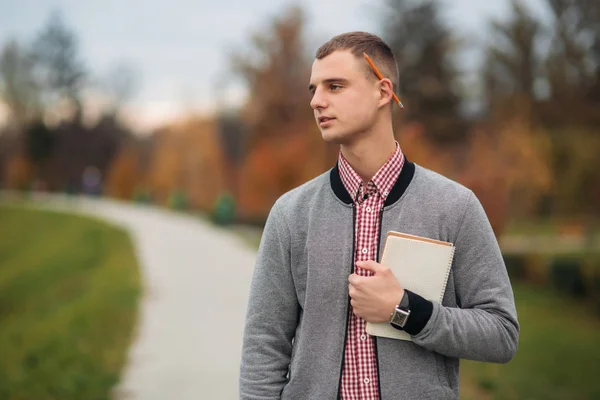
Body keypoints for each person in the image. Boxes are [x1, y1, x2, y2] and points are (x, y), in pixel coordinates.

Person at [240, 31, 519, 400]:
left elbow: (501, 334)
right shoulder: (291, 214)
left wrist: (405, 310)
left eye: (335, 86)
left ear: (383, 92)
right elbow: (264, 344)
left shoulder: (455, 206)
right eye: (314, 89)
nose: (317, 102)